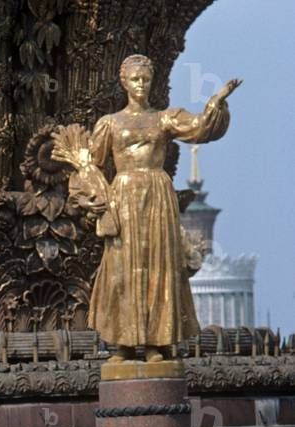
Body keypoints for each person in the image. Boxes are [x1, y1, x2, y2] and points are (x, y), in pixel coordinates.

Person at [53, 53, 240, 362]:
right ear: (124, 82)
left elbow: (199, 128)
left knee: (158, 266)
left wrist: (216, 101)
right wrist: (93, 196)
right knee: (123, 269)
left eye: (146, 79)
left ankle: (157, 342)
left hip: (156, 194)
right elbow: (93, 164)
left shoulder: (164, 118)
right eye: (135, 79)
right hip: (123, 196)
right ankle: (123, 344)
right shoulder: (109, 124)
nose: (141, 85)